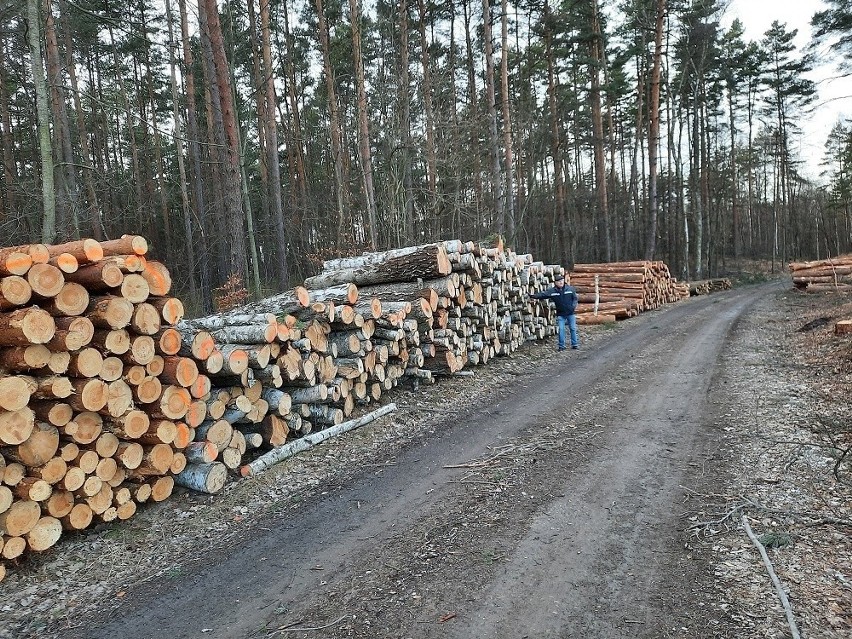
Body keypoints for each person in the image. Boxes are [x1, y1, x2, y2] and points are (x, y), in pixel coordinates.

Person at [529, 273, 579, 351]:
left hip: (570, 313)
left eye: (562, 281)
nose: (561, 282)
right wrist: (533, 296)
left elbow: (575, 299)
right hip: (561, 314)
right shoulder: (553, 291)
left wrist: (573, 307)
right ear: (555, 283)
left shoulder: (570, 289)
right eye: (559, 281)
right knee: (561, 330)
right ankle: (561, 346)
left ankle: (575, 344)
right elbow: (543, 294)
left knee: (573, 328)